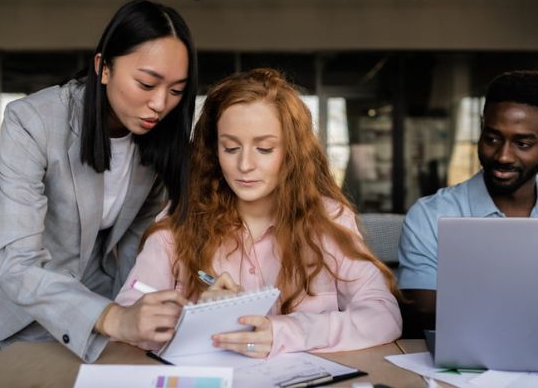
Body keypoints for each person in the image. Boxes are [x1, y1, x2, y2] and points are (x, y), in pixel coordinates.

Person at [116, 68, 402, 358]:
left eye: (264, 149)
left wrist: (287, 331)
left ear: (291, 153)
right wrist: (199, 317)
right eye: (230, 148)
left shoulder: (328, 220)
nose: (245, 165)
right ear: (214, 150)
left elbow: (384, 316)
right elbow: (128, 316)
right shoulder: (180, 219)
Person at [0, 0, 197, 362]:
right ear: (103, 67)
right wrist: (115, 317)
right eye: (146, 82)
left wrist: (143, 314)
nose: (159, 103)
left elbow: (136, 253)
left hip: (99, 316)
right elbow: (17, 264)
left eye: (176, 90)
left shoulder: (157, 143)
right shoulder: (31, 123)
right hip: (16, 319)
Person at [397, 70, 538, 336]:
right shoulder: (430, 214)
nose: (503, 156)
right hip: (466, 362)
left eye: (522, 143)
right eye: (492, 139)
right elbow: (425, 309)